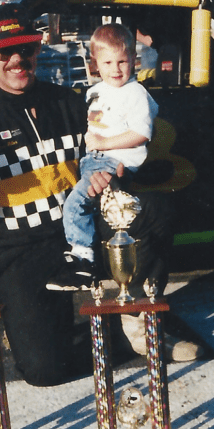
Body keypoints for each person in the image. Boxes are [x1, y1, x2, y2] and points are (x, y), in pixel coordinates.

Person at [0, 4, 198, 386]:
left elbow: (112, 153)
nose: (18, 60)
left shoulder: (71, 101)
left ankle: (141, 321)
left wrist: (111, 175)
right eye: (4, 52)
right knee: (43, 370)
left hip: (79, 235)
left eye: (26, 50)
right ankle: (125, 338)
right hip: (17, 249)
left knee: (153, 210)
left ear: (38, 49)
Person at [46, 24, 157, 292]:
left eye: (122, 61)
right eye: (107, 62)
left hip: (115, 162)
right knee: (71, 201)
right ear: (95, 63)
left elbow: (142, 133)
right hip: (92, 160)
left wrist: (105, 144)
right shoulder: (96, 92)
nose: (115, 69)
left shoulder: (136, 93)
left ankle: (83, 261)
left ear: (134, 59)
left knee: (75, 203)